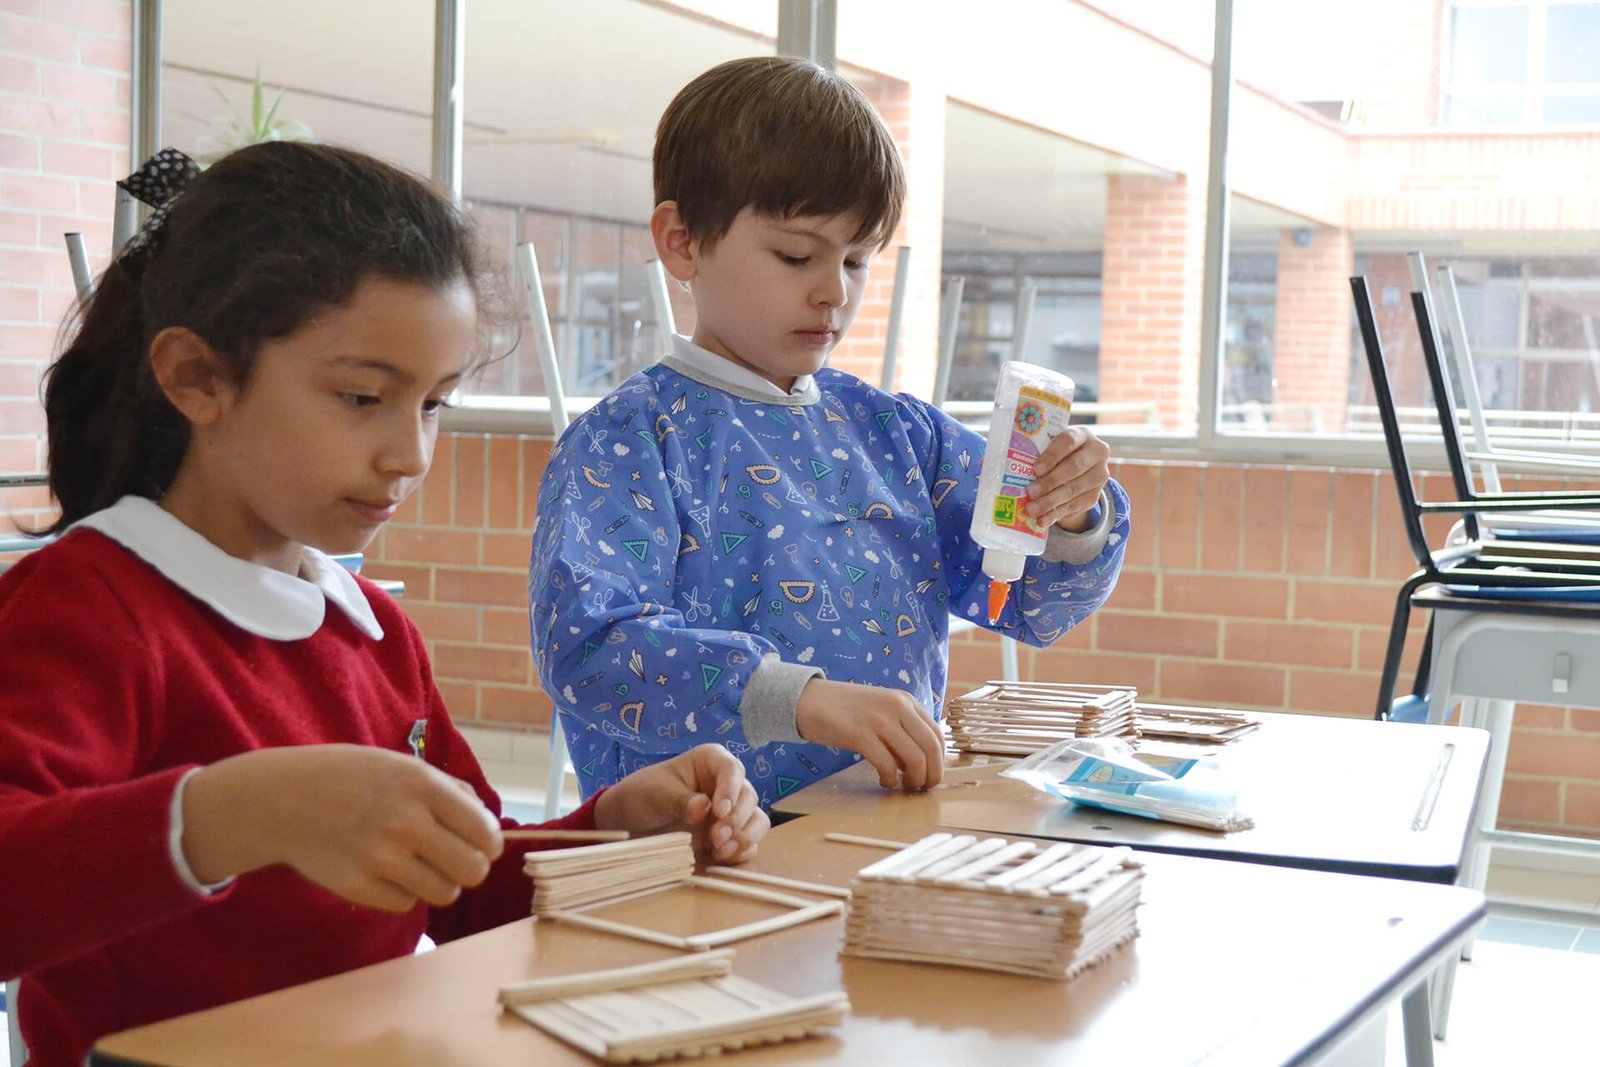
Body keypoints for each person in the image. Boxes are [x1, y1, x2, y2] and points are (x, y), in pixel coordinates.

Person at [0, 142, 767, 1067]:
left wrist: (611, 831)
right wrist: (229, 814)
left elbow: (466, 885)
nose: (410, 453)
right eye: (362, 396)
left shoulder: (373, 633)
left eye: (436, 404)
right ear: (197, 378)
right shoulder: (89, 606)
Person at [528, 56, 1130, 810]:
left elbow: (1025, 601)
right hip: (700, 861)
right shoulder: (630, 441)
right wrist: (797, 698)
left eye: (856, 259)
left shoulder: (897, 436)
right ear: (682, 242)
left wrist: (1072, 512)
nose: (833, 292)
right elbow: (590, 648)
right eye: (796, 255)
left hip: (882, 834)